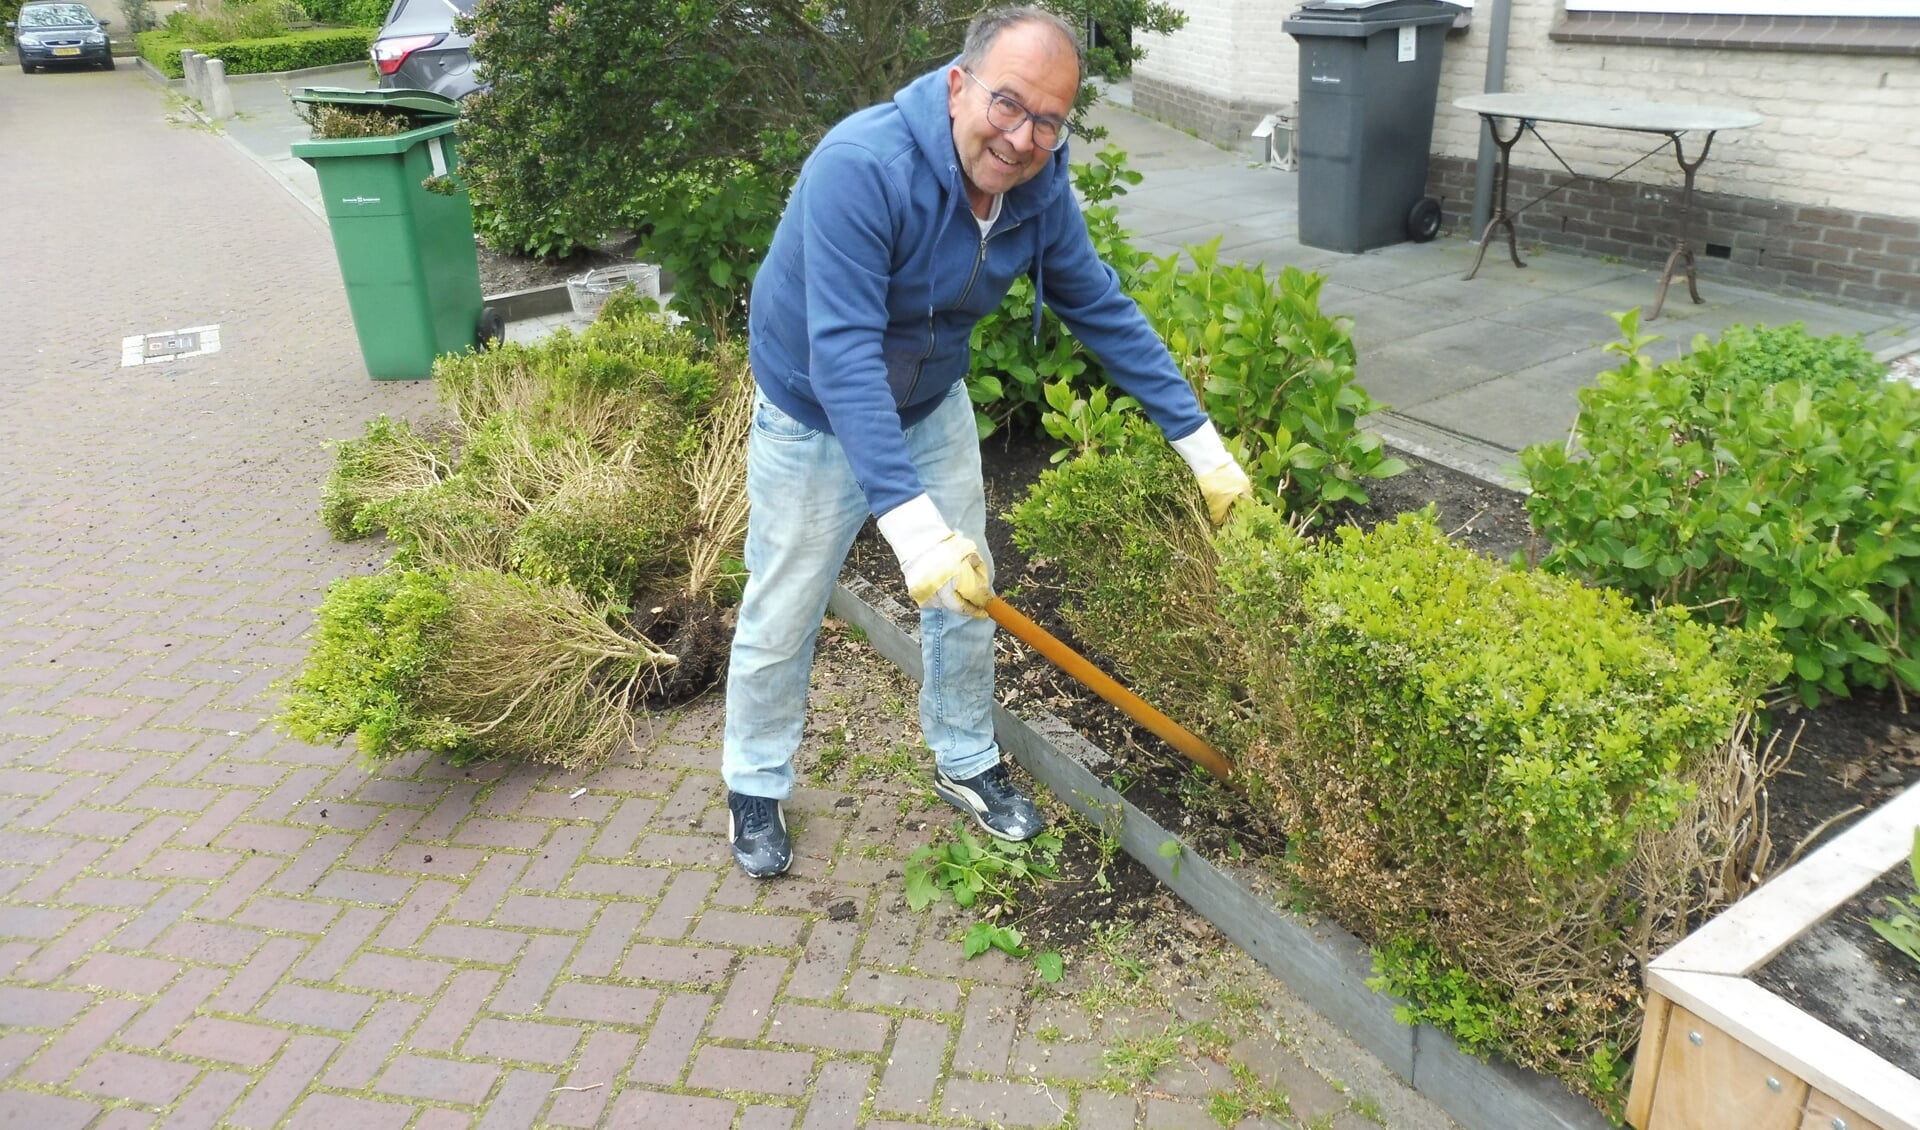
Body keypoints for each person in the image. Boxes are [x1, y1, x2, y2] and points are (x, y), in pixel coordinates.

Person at [721, 5, 1252, 878]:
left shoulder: (1037, 186)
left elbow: (1100, 305)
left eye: (1048, 119)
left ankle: (967, 758)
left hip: (930, 402)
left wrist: (1203, 448)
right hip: (815, 410)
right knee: (784, 606)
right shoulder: (863, 168)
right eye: (1008, 104)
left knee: (967, 591)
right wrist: (908, 523)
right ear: (960, 85)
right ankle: (754, 780)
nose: (1022, 136)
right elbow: (844, 353)